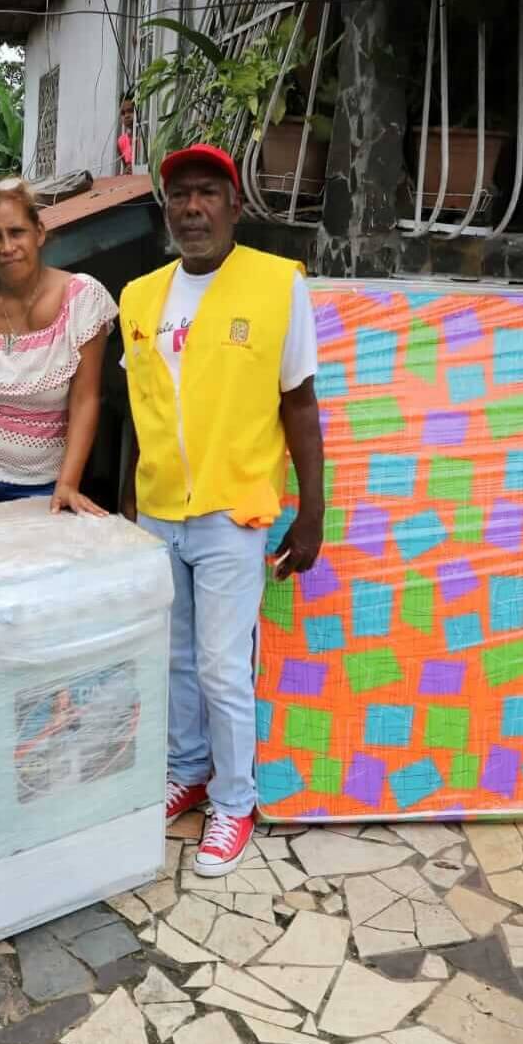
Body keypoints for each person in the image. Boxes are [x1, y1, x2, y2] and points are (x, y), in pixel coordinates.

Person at [118, 144, 325, 876]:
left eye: (207, 193)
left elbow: (298, 403)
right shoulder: (139, 295)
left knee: (219, 666)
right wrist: (128, 508)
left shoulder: (275, 285)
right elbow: (139, 411)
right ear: (167, 211)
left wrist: (311, 514)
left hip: (233, 513)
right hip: (158, 513)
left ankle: (234, 802)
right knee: (173, 657)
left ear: (235, 206)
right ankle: (189, 769)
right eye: (179, 197)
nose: (192, 208)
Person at [0, 176, 117, 514]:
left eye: (16, 232)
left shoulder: (81, 299)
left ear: (39, 232)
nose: (7, 247)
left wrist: (68, 484)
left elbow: (86, 398)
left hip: (42, 483)